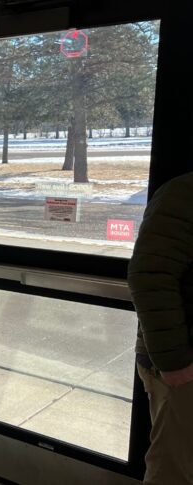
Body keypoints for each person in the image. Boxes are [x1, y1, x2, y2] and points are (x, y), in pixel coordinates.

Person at [128, 172, 193, 484]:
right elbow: (149, 275)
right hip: (182, 366)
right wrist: (176, 363)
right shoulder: (184, 193)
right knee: (174, 472)